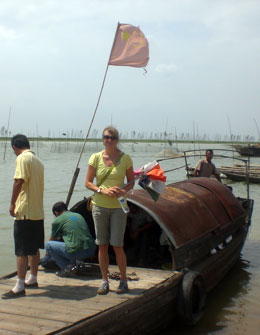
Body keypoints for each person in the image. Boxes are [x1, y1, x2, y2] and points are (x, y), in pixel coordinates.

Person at [85, 126, 134, 295]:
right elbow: (88, 182)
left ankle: (123, 280)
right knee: (102, 244)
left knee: (117, 245)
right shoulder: (96, 157)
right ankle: (104, 281)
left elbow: (131, 181)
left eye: (112, 137)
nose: (109, 140)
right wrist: (102, 190)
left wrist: (123, 191)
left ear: (117, 139)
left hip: (118, 207)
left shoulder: (125, 158)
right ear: (102, 139)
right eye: (106, 137)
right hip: (99, 206)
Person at [2, 134, 44, 299]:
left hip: (24, 211)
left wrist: (12, 204)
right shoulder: (38, 162)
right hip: (37, 212)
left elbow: (18, 181)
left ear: (14, 147)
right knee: (33, 248)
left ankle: (19, 286)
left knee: (21, 250)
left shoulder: (22, 158)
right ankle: (32, 278)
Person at [45, 201, 96, 277]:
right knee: (73, 243)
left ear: (56, 213)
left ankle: (67, 267)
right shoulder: (79, 215)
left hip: (77, 252)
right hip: (91, 250)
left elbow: (52, 239)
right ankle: (77, 263)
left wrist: (47, 255)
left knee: (48, 245)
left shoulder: (57, 220)